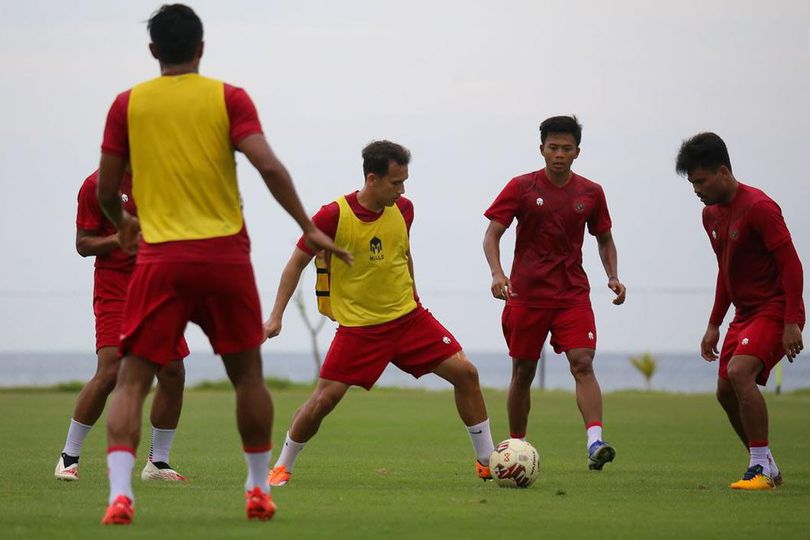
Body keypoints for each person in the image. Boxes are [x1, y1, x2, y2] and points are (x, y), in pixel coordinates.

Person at [95, 4, 349, 525]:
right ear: (202, 48)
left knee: (131, 382)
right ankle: (258, 489)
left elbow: (105, 189)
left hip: (160, 259)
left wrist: (120, 223)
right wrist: (308, 224)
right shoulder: (228, 97)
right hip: (224, 257)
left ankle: (120, 494)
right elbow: (269, 166)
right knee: (248, 377)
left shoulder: (128, 104)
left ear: (152, 52)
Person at [264, 140, 495, 487]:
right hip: (361, 329)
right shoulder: (333, 215)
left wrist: (415, 298)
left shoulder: (404, 210)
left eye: (404, 182)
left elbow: (403, 254)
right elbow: (296, 262)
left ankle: (487, 461)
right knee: (323, 401)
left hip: (409, 319)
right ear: (372, 179)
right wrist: (276, 316)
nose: (401, 190)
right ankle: (282, 465)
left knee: (466, 374)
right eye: (395, 182)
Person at [483, 115, 626, 471]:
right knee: (523, 372)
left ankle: (595, 442)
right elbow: (492, 235)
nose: (559, 154)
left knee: (583, 363)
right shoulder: (521, 187)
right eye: (553, 148)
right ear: (542, 149)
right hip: (526, 295)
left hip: (572, 295)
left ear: (577, 151)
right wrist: (498, 273)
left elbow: (604, 238)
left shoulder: (591, 193)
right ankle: (515, 446)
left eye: (566, 148)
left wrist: (612, 276)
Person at [676, 132, 804, 490]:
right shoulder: (710, 215)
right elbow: (726, 270)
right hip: (745, 313)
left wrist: (792, 321)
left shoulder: (760, 208)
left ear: (722, 172)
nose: (696, 189)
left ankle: (759, 466)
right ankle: (767, 464)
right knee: (724, 391)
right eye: (692, 182)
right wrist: (714, 323)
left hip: (775, 307)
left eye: (700, 181)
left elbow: (792, 266)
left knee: (740, 372)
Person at [54, 169, 188, 483]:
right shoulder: (97, 185)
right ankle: (68, 457)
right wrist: (119, 237)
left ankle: (158, 462)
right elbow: (83, 245)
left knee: (172, 371)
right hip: (115, 287)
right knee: (112, 368)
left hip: (157, 287)